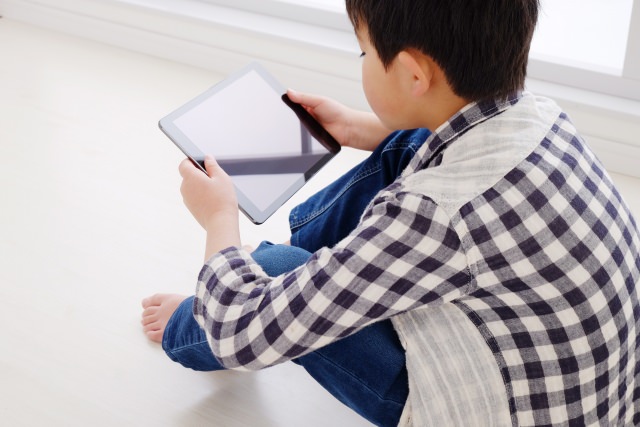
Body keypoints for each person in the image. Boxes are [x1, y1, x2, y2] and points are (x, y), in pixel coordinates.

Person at [142, 0, 640, 425]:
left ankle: (209, 313)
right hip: (592, 394)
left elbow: (241, 335)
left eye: (364, 52)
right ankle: (298, 291)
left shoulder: (433, 216)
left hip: (495, 409)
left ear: (412, 74)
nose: (360, 60)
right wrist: (361, 129)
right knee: (412, 145)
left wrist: (219, 220)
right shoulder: (543, 117)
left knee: (269, 271)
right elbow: (444, 148)